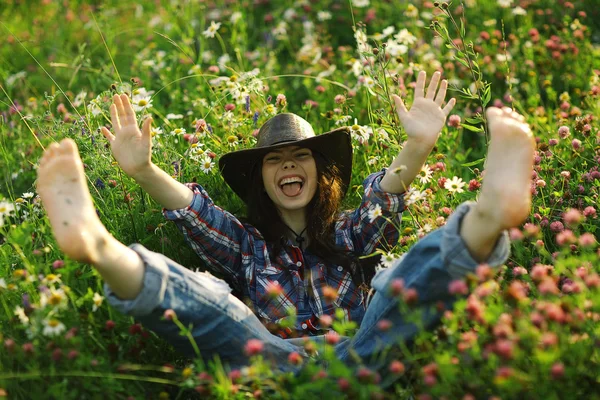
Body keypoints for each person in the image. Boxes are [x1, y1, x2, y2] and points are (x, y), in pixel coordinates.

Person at [36, 71, 535, 375]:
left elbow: (383, 200)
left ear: (322, 173)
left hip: (362, 352)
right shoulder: (246, 245)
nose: (289, 165)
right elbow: (193, 211)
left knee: (397, 287)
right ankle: (99, 246)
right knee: (212, 302)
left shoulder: (346, 233)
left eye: (301, 156)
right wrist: (144, 171)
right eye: (275, 160)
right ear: (261, 180)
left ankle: (488, 215)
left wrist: (419, 146)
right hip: (270, 358)